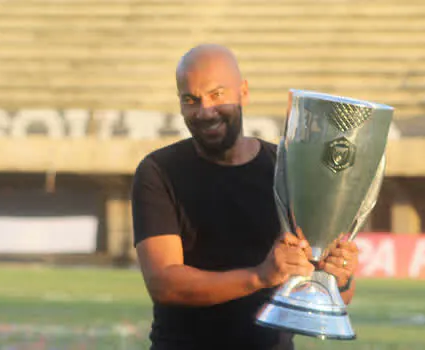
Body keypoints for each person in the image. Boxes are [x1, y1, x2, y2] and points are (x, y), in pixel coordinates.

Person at [131, 44, 359, 350]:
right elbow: (164, 283)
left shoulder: (288, 170)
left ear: (244, 92)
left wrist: (339, 276)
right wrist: (259, 276)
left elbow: (334, 292)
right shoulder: (159, 171)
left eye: (217, 94)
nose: (205, 111)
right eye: (191, 100)